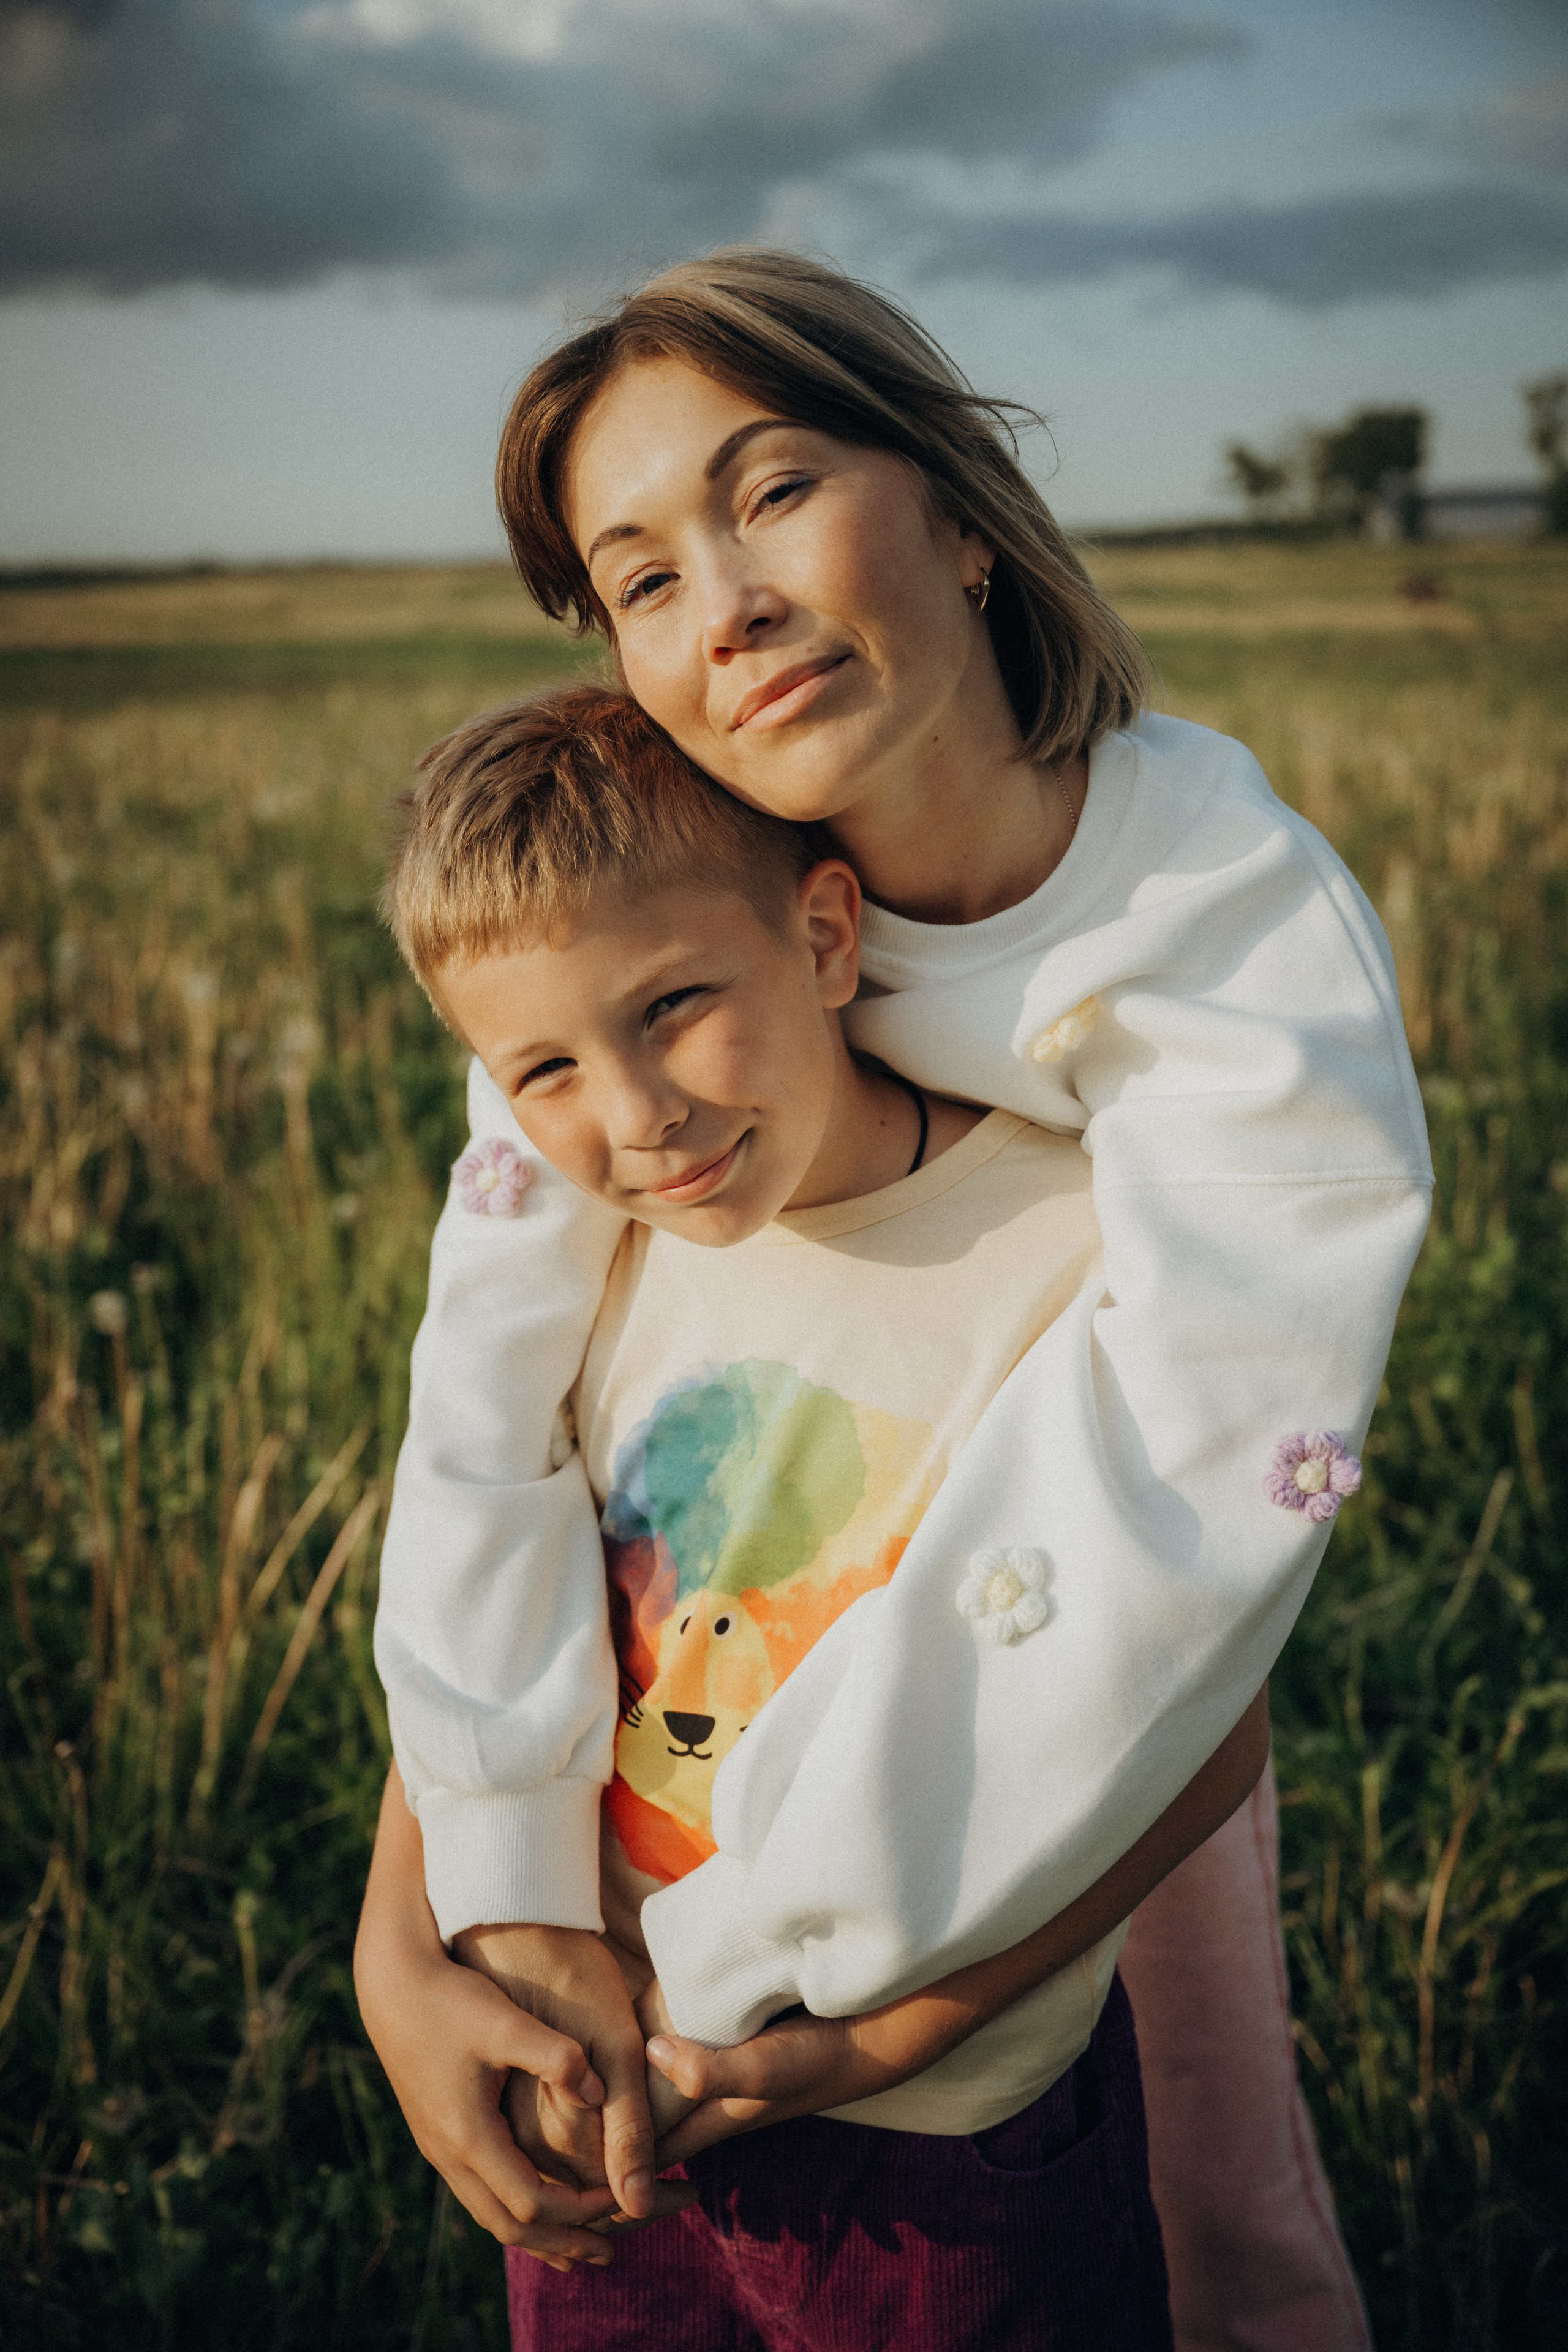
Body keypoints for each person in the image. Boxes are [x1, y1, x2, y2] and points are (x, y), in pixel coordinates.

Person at [358, 250, 1430, 2348]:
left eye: (770, 493)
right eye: (639, 574)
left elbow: (1192, 1535)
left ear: (955, 501)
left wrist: (852, 2012)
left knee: (1212, 2211)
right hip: (720, 1658)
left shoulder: (1222, 942)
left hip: (1115, 1646)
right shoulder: (661, 910)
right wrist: (437, 1913)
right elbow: (513, 1434)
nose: (724, 601)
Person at [369, 679, 1280, 2347]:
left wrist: (897, 2036)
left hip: (948, 2148)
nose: (639, 1117)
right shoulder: (607, 1256)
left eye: (677, 1005)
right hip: (606, 2108)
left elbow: (1197, 1734)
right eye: (549, 1066)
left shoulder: (1069, 1256)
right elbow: (496, 1582)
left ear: (828, 935)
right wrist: (399, 1948)